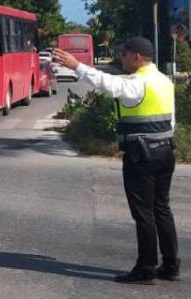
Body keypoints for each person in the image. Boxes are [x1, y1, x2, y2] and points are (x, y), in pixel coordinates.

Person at [54, 36, 179, 285]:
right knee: (161, 208)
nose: (121, 59)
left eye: (123, 55)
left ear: (136, 57)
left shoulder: (137, 83)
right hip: (166, 150)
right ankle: (171, 265)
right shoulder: (164, 81)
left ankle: (146, 268)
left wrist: (76, 66)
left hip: (141, 154)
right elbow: (171, 119)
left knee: (143, 213)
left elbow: (107, 84)